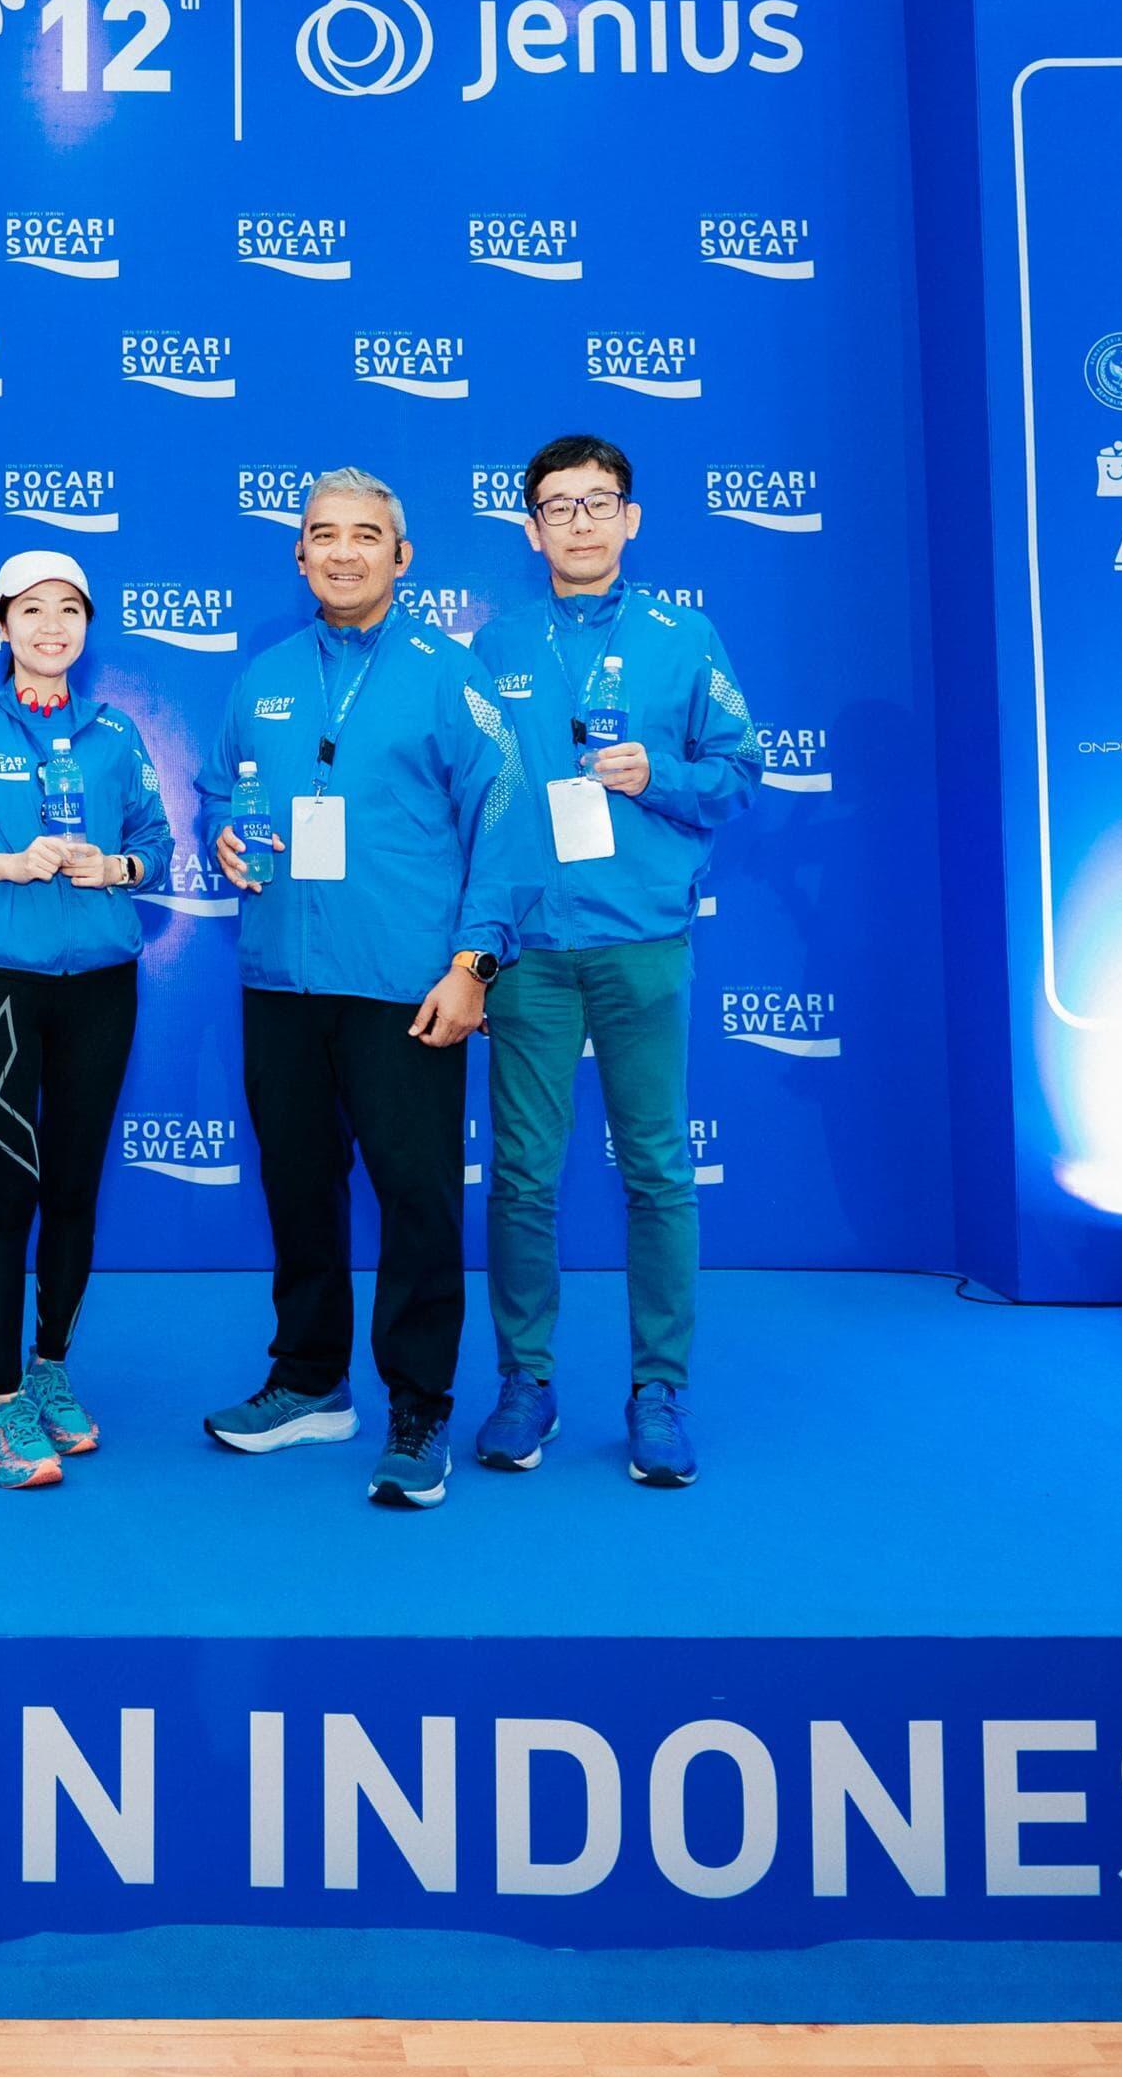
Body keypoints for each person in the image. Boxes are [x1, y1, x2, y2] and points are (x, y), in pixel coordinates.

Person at [201, 470, 541, 1510]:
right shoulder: (261, 674)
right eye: (319, 535)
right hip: (281, 980)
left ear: (401, 558)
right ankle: (309, 1382)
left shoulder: (446, 673)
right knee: (298, 1189)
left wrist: (470, 965)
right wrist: (221, 833)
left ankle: (418, 1403)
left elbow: (508, 819)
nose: (340, 551)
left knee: (416, 1198)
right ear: (296, 556)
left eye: (364, 536)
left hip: (405, 987)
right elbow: (224, 788)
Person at [465, 436, 761, 1490]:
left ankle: (656, 1390)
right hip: (532, 954)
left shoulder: (684, 639)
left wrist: (660, 773)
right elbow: (466, 804)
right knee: (520, 1181)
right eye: (558, 506)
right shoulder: (491, 645)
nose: (580, 522)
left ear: (629, 518)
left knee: (655, 1170)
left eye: (598, 503)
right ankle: (524, 1382)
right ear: (531, 527)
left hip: (642, 940)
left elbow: (740, 771)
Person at [0, 551, 176, 1491]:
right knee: (6, 1193)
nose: (51, 628)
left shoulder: (116, 732)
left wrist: (116, 871)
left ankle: (51, 1367)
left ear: (87, 626)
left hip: (100, 984)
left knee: (76, 1189)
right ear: (0, 625)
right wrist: (5, 865)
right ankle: (3, 1400)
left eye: (70, 611)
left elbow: (158, 844)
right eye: (31, 611)